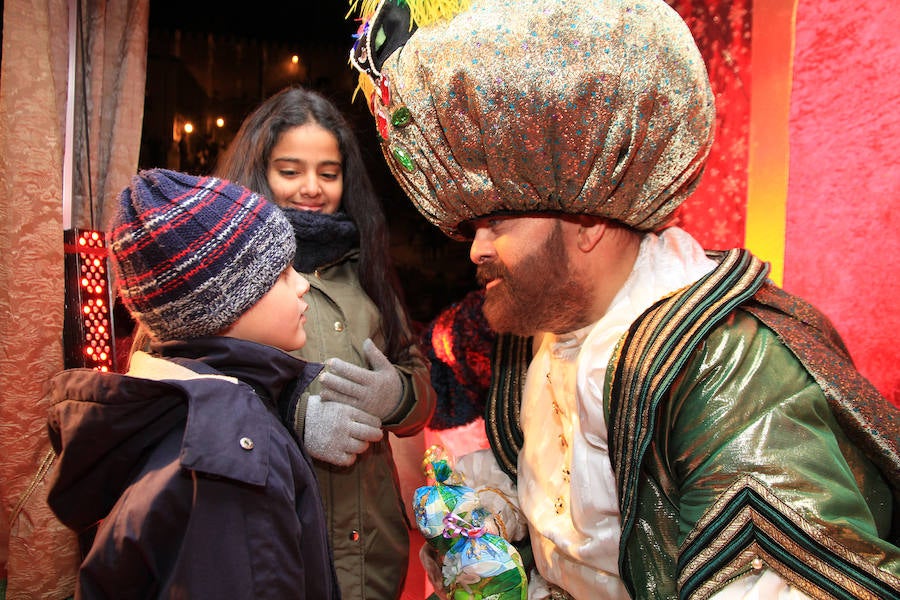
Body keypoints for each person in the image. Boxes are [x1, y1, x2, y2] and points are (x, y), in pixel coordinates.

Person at [347, 0, 900, 598]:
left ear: (589, 220)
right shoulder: (542, 334)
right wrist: (484, 508)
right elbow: (555, 496)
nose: (475, 248)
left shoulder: (724, 367)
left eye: (499, 220)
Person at [44, 168, 340, 598]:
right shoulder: (233, 448)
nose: (302, 285)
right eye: (280, 273)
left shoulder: (175, 409)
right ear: (221, 303)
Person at [215, 85, 437, 599]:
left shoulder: (366, 268)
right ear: (257, 172)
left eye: (329, 173)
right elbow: (191, 388)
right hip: (274, 554)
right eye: (289, 171)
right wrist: (296, 417)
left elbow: (420, 383)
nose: (311, 188)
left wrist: (396, 397)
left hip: (373, 558)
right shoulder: (227, 272)